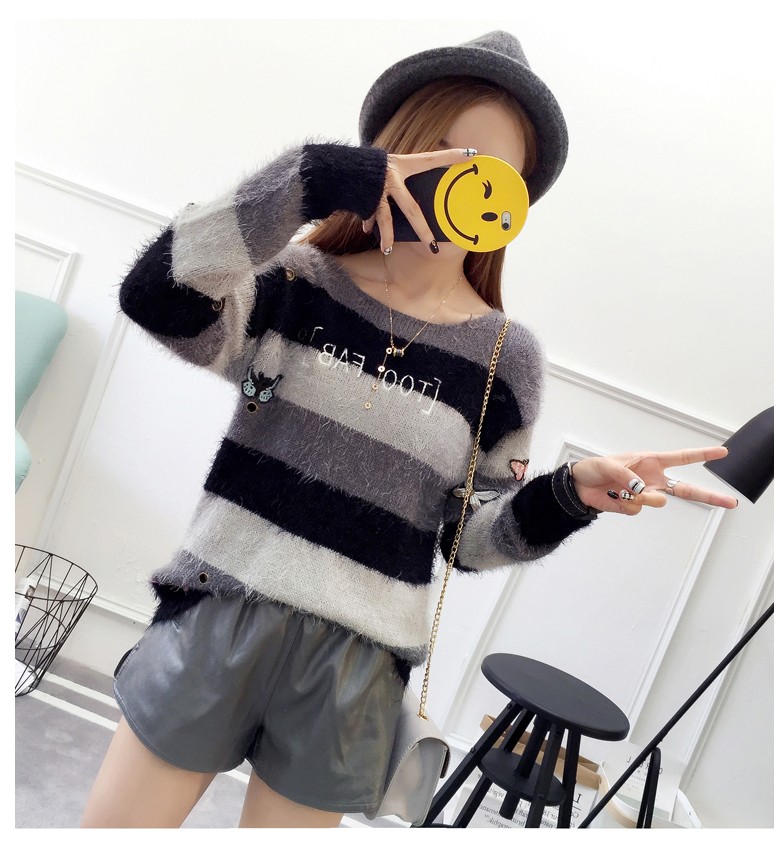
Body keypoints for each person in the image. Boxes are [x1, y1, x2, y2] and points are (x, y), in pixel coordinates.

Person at [80, 30, 737, 829]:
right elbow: (157, 296)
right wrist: (307, 180)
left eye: (496, 172)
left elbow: (469, 539)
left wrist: (568, 496)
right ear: (396, 152)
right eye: (450, 155)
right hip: (220, 610)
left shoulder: (505, 359)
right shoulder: (295, 284)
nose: (465, 184)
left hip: (354, 670)